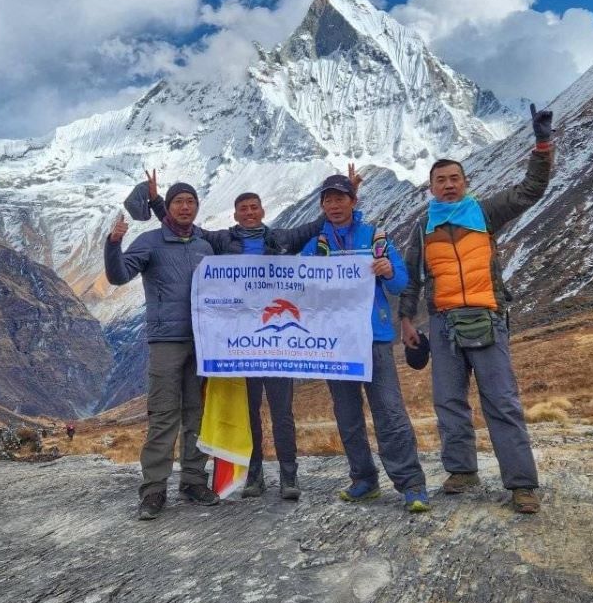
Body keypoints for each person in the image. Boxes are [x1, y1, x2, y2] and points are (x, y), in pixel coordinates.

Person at [133, 166, 360, 501]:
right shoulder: (222, 240)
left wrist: (351, 194)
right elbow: (183, 228)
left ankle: (288, 476)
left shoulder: (282, 239)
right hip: (244, 344)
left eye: (255, 208)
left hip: (280, 343)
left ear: (262, 211)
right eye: (244, 209)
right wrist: (156, 203)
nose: (250, 213)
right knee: (249, 412)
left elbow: (318, 224)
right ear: (236, 214)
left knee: (282, 413)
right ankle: (254, 476)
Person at [398, 104, 553, 514]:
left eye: (454, 179)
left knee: (501, 401)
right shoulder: (422, 226)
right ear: (430, 187)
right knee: (449, 401)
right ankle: (462, 471)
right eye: (441, 181)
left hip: (488, 317)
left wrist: (542, 145)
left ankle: (521, 485)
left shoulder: (484, 213)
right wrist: (407, 320)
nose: (448, 186)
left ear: (466, 182)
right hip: (443, 324)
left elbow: (530, 191)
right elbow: (412, 276)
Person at [299, 173, 430, 513]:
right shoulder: (315, 243)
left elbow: (401, 283)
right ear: (322, 205)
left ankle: (411, 484)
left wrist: (387, 269)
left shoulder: (375, 237)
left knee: (388, 410)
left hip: (374, 337)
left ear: (353, 202)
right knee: (347, 413)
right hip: (334, 341)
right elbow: (296, 281)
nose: (334, 205)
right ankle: (364, 480)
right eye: (328, 200)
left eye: (340, 198)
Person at [105, 181, 221, 520]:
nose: (185, 207)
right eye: (178, 202)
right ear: (167, 207)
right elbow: (118, 276)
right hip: (166, 342)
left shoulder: (205, 245)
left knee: (196, 414)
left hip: (202, 341)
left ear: (197, 207)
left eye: (191, 202)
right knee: (163, 414)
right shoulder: (150, 242)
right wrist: (113, 243)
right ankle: (154, 489)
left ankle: (194, 480)